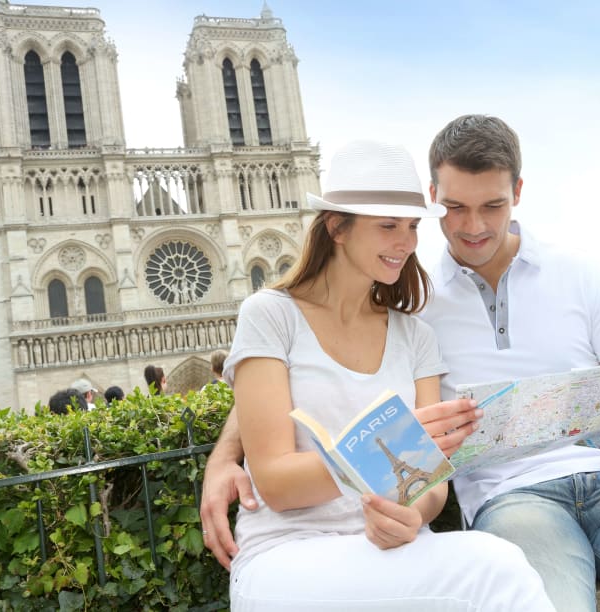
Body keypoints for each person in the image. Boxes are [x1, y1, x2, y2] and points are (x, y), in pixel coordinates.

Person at [201, 117, 600, 610]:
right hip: (512, 501)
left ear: (517, 192)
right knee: (512, 583)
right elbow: (295, 379)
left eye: (492, 205)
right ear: (433, 195)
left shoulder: (560, 278)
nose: (473, 227)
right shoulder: (416, 300)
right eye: (453, 209)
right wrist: (227, 453)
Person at [215, 140, 552, 611]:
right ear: (337, 227)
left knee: (498, 566)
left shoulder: (416, 336)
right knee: (496, 567)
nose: (407, 243)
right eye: (388, 226)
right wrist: (385, 452)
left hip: (393, 556)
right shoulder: (270, 316)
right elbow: (275, 482)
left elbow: (433, 485)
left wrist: (410, 514)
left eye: (412, 226)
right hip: (287, 559)